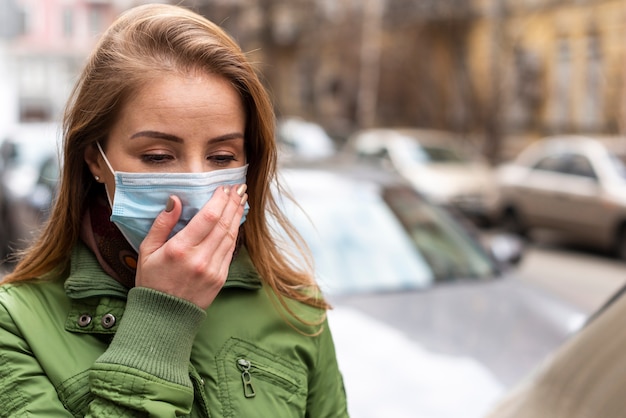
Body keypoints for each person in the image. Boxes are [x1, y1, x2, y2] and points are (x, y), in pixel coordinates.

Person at [0, 3, 349, 417]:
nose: (197, 189)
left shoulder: (296, 310)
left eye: (221, 157)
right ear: (95, 159)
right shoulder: (15, 326)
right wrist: (160, 320)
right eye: (159, 156)